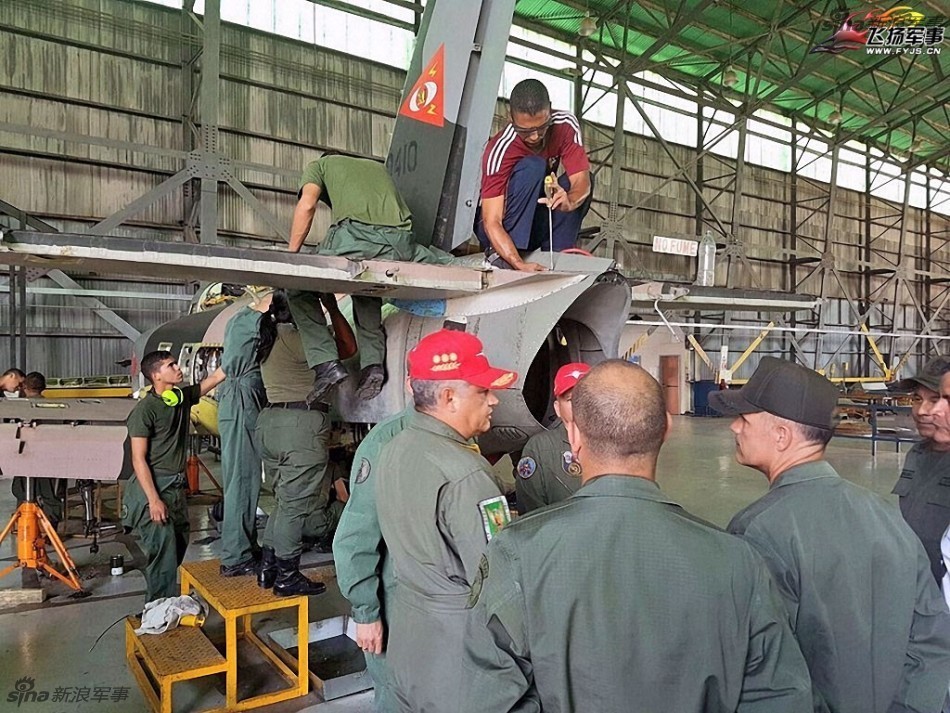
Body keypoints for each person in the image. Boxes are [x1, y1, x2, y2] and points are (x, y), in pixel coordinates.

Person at [461, 360, 812, 712]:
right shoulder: (738, 562)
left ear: (574, 436)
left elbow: (491, 697)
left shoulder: (517, 553)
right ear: (666, 430)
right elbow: (777, 697)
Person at [711, 357, 950, 713]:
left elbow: (765, 675)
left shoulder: (758, 530)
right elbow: (931, 642)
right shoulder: (886, 516)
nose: (734, 428)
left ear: (781, 435)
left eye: (744, 419)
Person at [375, 329, 518, 712]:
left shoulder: (394, 448)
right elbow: (495, 581)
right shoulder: (467, 473)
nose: (494, 399)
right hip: (460, 658)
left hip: (409, 641)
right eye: (483, 391)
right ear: (449, 397)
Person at [287, 152, 460, 405]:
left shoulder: (319, 165)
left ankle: (325, 364)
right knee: (367, 286)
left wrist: (292, 258)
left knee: (297, 288)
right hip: (402, 244)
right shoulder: (377, 168)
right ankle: (373, 366)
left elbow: (308, 204)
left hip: (356, 239)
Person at [254, 290, 339, 597]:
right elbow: (340, 350)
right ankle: (288, 576)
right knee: (294, 505)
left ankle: (269, 566)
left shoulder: (269, 336)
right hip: (299, 425)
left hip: (272, 421)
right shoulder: (294, 336)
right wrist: (333, 311)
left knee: (282, 500)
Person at [333, 404, 414, 712]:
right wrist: (366, 613)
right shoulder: (387, 440)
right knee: (396, 695)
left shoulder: (460, 439)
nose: (492, 401)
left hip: (436, 607)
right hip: (395, 599)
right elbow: (356, 536)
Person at [125, 351, 225, 602]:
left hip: (174, 486)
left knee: (180, 540)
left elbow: (213, 379)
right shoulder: (145, 411)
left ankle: (163, 603)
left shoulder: (178, 397)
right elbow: (138, 459)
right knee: (164, 550)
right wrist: (153, 500)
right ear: (156, 375)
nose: (178, 368)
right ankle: (158, 609)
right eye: (171, 365)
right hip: (153, 487)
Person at [476, 78, 592, 272]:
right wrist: (517, 263)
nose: (535, 137)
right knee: (533, 166)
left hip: (536, 219)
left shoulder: (565, 125)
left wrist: (569, 200)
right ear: (510, 118)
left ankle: (558, 254)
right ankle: (504, 257)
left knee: (580, 184)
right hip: (500, 227)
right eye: (525, 131)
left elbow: (582, 181)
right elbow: (491, 221)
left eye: (541, 127)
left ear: (550, 110)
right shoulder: (500, 149)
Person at [217, 293, 271, 577]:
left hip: (239, 398)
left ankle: (245, 546)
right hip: (242, 400)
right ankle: (236, 556)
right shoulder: (251, 322)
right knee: (241, 479)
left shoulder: (240, 319)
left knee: (244, 478)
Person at [891, 356, 950, 583]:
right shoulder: (917, 454)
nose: (923, 411)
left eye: (934, 400)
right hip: (915, 582)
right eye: (917, 399)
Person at [515, 362, 589, 513]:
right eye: (570, 399)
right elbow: (531, 513)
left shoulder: (616, 443)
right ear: (557, 408)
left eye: (587, 397)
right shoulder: (540, 448)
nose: (580, 405)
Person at [11, 372, 65, 528]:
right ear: (44, 388)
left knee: (21, 492)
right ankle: (51, 530)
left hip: (24, 457)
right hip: (48, 459)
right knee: (50, 495)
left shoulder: (18, 408)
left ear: (25, 387)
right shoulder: (55, 408)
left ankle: (24, 527)